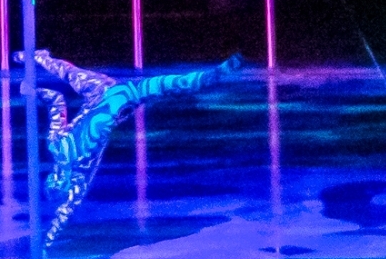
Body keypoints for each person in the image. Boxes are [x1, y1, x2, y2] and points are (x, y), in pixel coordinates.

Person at [24, 50, 244, 243]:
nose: (56, 178)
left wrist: (32, 92)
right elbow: (66, 211)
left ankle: (40, 57)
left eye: (52, 180)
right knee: (171, 85)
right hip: (124, 99)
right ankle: (212, 76)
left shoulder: (55, 145)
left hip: (98, 92)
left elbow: (57, 100)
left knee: (69, 73)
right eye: (58, 183)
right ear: (62, 185)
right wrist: (47, 242)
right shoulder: (82, 169)